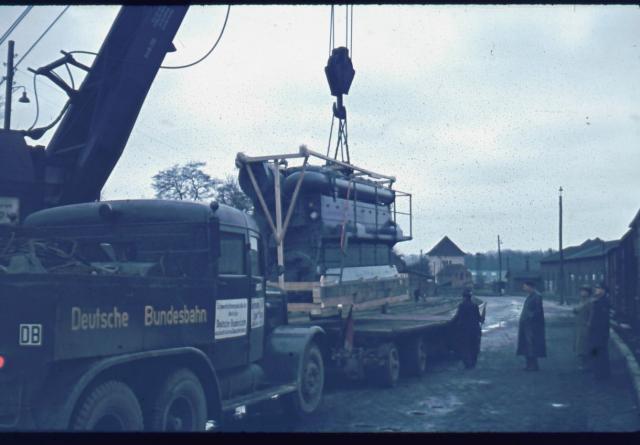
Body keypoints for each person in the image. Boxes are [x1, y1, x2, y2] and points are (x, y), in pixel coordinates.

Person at [451, 288, 485, 369]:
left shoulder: (462, 306)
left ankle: (467, 364)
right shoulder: (475, 306)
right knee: (474, 346)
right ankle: (473, 363)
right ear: (470, 297)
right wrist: (482, 318)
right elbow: (479, 318)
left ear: (464, 297)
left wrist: (450, 321)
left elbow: (457, 317)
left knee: (465, 347)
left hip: (465, 330)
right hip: (475, 329)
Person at [517, 280, 546, 371]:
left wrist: (529, 317)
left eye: (525, 286)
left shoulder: (537, 296)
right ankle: (529, 364)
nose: (524, 288)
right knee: (526, 343)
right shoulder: (531, 296)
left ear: (530, 286)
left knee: (531, 344)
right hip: (527, 324)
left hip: (532, 325)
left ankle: (533, 365)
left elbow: (537, 311)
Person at [588, 282, 611, 380]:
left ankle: (600, 373)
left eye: (598, 288)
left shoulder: (603, 302)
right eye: (596, 288)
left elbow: (602, 319)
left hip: (599, 332)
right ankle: (598, 372)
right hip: (596, 332)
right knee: (597, 352)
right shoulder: (597, 300)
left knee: (599, 352)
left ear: (603, 290)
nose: (596, 290)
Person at [573, 285, 594, 370]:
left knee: (585, 346)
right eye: (581, 291)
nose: (582, 292)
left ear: (588, 293)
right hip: (579, 326)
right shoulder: (582, 301)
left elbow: (591, 314)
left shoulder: (590, 302)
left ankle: (586, 365)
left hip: (585, 326)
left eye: (584, 291)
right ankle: (583, 364)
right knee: (580, 346)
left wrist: (589, 324)